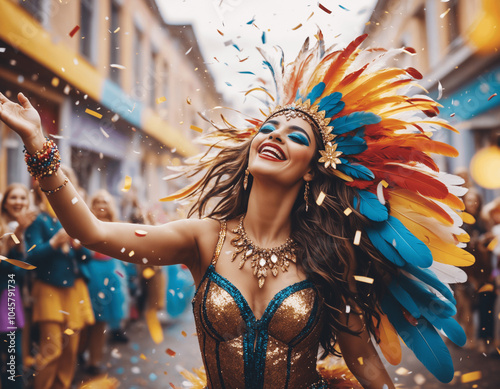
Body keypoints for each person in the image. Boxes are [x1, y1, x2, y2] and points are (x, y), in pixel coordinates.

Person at [0, 34, 474, 388]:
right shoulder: (203, 237)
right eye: (269, 127)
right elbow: (95, 233)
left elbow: (364, 362)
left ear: (312, 169)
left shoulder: (331, 257)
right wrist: (40, 145)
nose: (275, 136)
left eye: (297, 136)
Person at [20, 175, 95, 389]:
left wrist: (79, 246)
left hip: (73, 289)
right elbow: (30, 257)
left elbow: (87, 257)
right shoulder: (38, 219)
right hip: (47, 289)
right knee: (52, 347)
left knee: (71, 349)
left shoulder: (73, 217)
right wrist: (54, 242)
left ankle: (62, 385)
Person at [79, 189, 130, 375]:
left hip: (111, 272)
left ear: (111, 206)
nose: (101, 205)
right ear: (91, 205)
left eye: (105, 202)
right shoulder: (83, 224)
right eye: (97, 201)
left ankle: (95, 360)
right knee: (87, 319)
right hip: (91, 274)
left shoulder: (118, 226)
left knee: (103, 320)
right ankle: (80, 353)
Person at [0, 183, 35, 389]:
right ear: (5, 203)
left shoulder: (27, 228)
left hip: (12, 296)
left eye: (23, 198)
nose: (19, 202)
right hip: (4, 292)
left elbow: (23, 269)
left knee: (14, 355)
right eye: (14, 197)